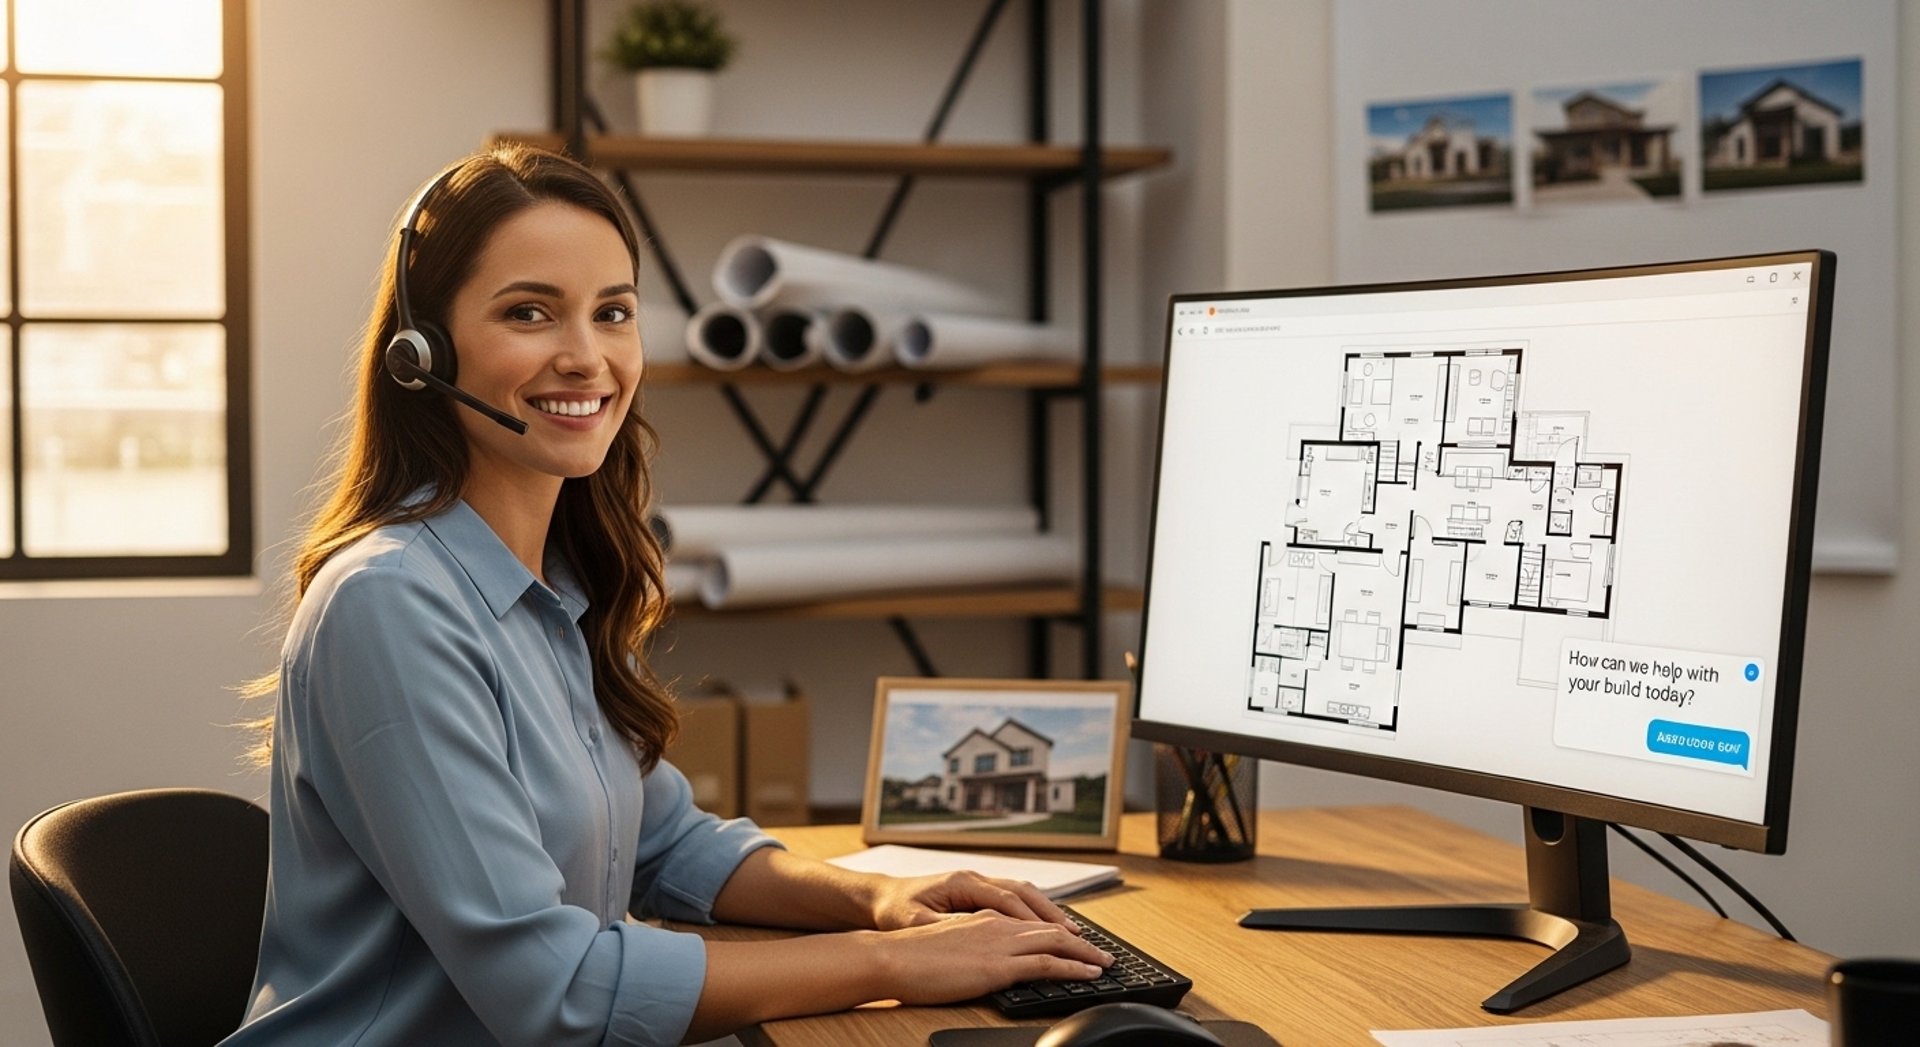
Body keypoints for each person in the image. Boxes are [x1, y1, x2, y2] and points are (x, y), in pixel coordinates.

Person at [224, 144, 1112, 1047]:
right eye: (530, 312)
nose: (586, 357)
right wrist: (895, 963)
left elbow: (665, 842)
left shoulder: (552, 585)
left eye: (614, 313)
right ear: (423, 352)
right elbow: (557, 990)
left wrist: (885, 899)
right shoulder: (391, 604)